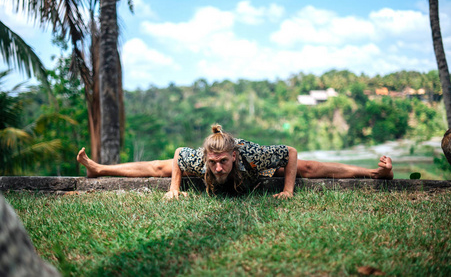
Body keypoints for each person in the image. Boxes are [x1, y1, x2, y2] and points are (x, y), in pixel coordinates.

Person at [77, 124, 393, 199]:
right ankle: (99, 169)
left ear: (234, 156)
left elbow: (291, 151)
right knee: (163, 167)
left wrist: (288, 189)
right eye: (213, 162)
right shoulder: (200, 158)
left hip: (257, 172)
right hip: (205, 167)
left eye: (223, 162)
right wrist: (174, 188)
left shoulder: (253, 153)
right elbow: (176, 154)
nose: (217, 167)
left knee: (305, 168)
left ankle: (375, 173)